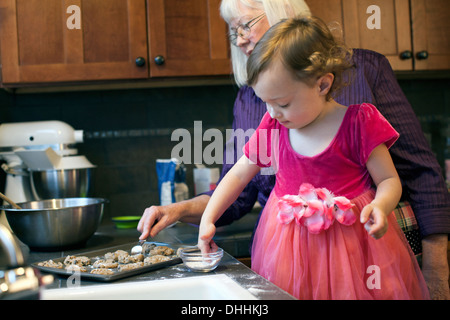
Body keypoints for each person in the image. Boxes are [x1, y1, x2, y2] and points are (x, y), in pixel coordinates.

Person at [138, 0, 450, 299]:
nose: (272, 113)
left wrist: (381, 207)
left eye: (282, 103)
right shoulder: (273, 124)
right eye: (266, 103)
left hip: (357, 250)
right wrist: (207, 218)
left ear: (322, 85)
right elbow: (237, 176)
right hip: (288, 252)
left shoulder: (360, 121)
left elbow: (390, 180)